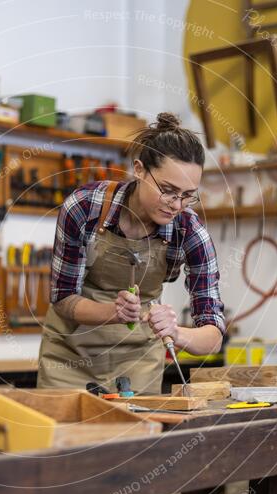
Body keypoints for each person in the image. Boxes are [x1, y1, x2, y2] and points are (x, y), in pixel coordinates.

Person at [37, 112, 225, 393]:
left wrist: (177, 333)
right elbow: (63, 299)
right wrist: (113, 312)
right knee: (65, 435)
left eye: (187, 195)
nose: (176, 204)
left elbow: (213, 335)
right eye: (168, 190)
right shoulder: (84, 208)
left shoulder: (190, 232)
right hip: (70, 356)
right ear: (139, 169)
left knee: (136, 436)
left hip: (137, 362)